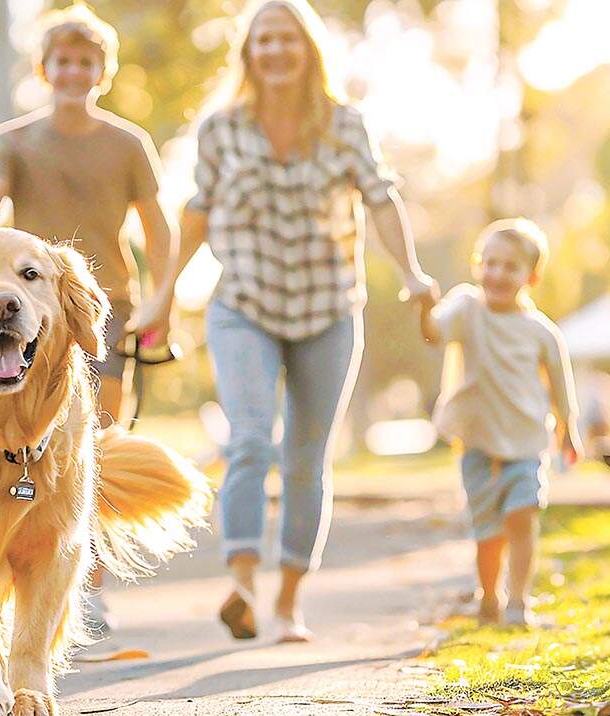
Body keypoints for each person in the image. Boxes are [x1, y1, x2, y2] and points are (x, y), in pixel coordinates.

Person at [134, 0, 437, 642]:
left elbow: (382, 199)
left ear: (308, 50)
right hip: (243, 302)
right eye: (263, 40)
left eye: (286, 39)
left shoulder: (344, 124)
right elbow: (197, 211)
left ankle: (290, 602)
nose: (274, 51)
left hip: (329, 306)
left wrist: (411, 273)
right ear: (248, 53)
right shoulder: (222, 129)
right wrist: (163, 296)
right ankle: (242, 586)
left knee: (306, 458)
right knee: (248, 440)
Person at [0, 3, 173, 637]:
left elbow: (158, 229)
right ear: (43, 68)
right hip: (23, 317)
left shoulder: (129, 143)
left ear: (102, 70)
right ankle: (3, 572)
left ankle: (88, 585)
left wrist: (165, 303)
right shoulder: (14, 140)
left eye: (86, 62)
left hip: (105, 309)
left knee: (92, 443)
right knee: (18, 443)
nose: (74, 72)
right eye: (63, 61)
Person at [419, 218, 582, 627]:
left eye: (510, 267)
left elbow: (563, 389)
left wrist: (569, 432)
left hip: (526, 443)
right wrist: (424, 304)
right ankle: (489, 595)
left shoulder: (541, 332)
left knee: (523, 517)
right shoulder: (466, 307)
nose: (497, 274)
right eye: (490, 263)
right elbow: (434, 332)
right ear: (478, 266)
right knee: (488, 532)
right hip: (477, 444)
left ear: (532, 276)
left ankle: (519, 601)